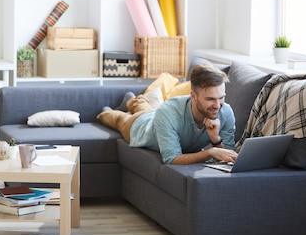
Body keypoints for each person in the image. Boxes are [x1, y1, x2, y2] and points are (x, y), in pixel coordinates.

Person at [98, 63, 238, 165]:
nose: (217, 105)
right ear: (193, 96)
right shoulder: (167, 112)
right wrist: (209, 152)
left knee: (148, 109)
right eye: (210, 99)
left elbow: (229, 155)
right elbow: (172, 159)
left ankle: (132, 101)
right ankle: (110, 110)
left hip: (156, 116)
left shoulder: (226, 112)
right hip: (140, 126)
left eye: (221, 98)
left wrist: (216, 140)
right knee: (119, 119)